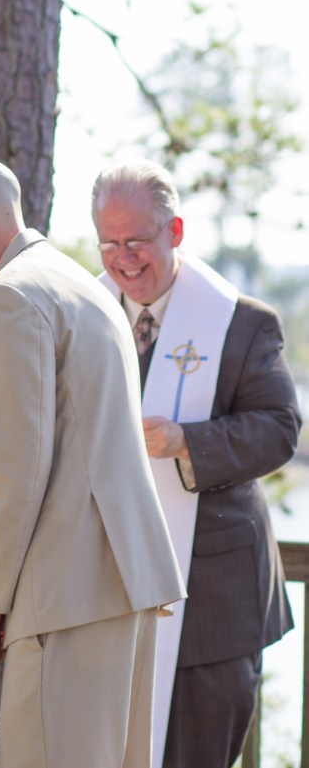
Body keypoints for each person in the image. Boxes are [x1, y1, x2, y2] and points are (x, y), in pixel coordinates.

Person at [0, 158, 186, 768]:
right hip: (125, 583)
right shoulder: (83, 287)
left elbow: (19, 474)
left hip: (66, 593)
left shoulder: (11, 297)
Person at [91, 160, 301, 768]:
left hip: (213, 599)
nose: (123, 258)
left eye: (138, 241)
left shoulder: (242, 324)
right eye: (109, 242)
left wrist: (188, 440)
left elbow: (280, 429)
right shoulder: (83, 318)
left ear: (174, 231)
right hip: (111, 591)